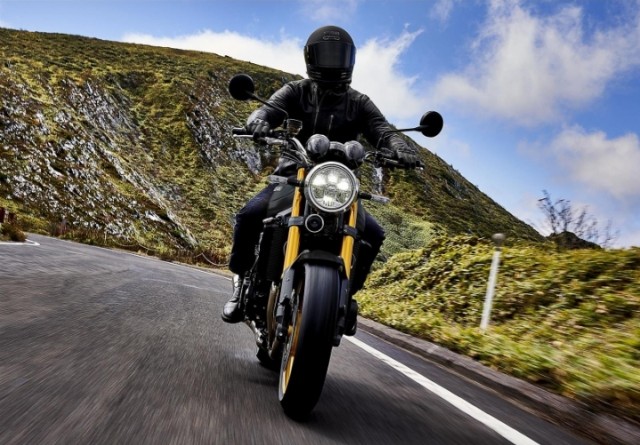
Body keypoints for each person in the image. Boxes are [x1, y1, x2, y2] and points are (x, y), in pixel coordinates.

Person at [222, 25, 420, 327]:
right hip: (294, 177)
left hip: (338, 186)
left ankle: (345, 297)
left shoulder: (359, 102)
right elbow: (268, 111)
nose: (333, 61)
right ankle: (240, 284)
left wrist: (399, 147)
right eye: (327, 54)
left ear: (350, 59)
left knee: (374, 235)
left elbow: (381, 130)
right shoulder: (295, 91)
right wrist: (258, 121)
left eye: (339, 55)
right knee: (250, 215)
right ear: (311, 57)